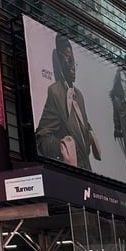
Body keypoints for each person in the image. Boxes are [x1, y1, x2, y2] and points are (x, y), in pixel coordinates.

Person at [35, 33, 101, 170]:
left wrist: (90, 135)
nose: (73, 67)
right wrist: (63, 146)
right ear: (59, 60)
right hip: (70, 173)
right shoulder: (55, 92)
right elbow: (42, 137)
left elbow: (84, 128)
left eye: (74, 62)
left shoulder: (79, 95)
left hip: (87, 171)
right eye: (68, 61)